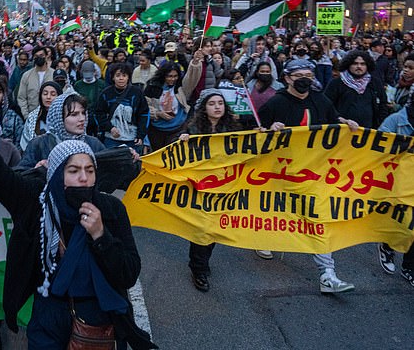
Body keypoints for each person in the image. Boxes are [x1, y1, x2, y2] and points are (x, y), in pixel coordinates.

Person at [0, 86, 156, 349]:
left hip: (99, 316)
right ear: (55, 175)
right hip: (48, 314)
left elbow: (129, 273)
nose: (83, 178)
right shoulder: (35, 203)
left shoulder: (109, 209)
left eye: (90, 170)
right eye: (73, 170)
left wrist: (101, 236)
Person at [257, 58, 358, 293]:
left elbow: (334, 121)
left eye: (309, 76)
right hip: (279, 173)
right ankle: (263, 238)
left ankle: (327, 274)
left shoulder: (321, 101)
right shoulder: (275, 103)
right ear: (287, 78)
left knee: (317, 218)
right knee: (275, 210)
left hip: (313, 173)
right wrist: (268, 131)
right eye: (299, 76)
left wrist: (346, 124)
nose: (305, 80)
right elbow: (255, 134)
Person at [178, 89, 242, 291]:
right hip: (201, 187)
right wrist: (182, 142)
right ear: (204, 108)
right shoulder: (194, 128)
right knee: (202, 227)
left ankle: (201, 261)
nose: (217, 107)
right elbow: (176, 151)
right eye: (212, 103)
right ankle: (198, 268)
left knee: (213, 229)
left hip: (224, 187)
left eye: (220, 103)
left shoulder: (233, 128)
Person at [376, 92, 414, 287]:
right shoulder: (396, 121)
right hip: (398, 181)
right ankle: (388, 245)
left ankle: (409, 267)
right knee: (402, 221)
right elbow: (378, 147)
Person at [18, 91, 105, 171]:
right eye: (74, 114)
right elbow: (22, 175)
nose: (82, 119)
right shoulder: (39, 144)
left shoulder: (94, 144)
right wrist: (37, 170)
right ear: (58, 118)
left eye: (83, 113)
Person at [324, 50, 388, 129]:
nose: (359, 66)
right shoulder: (336, 83)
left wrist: (379, 124)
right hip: (342, 131)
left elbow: (383, 104)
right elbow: (327, 106)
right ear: (348, 65)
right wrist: (341, 121)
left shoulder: (375, 82)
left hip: (369, 131)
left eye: (362, 64)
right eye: (355, 63)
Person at [95, 63, 149, 152]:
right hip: (111, 139)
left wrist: (141, 135)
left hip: (132, 139)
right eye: (118, 75)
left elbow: (144, 114)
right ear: (113, 77)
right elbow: (99, 113)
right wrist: (110, 128)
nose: (121, 78)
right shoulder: (106, 93)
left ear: (128, 77)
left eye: (124, 75)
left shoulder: (137, 93)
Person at [144, 62, 190, 152]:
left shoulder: (180, 86)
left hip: (178, 128)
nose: (173, 79)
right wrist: (158, 113)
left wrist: (195, 63)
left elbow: (193, 77)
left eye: (175, 76)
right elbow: (145, 107)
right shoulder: (152, 87)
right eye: (169, 76)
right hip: (157, 130)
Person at [20, 82, 63, 151]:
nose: (48, 97)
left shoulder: (64, 117)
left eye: (53, 94)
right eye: (45, 94)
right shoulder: (32, 117)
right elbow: (25, 142)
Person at [17, 46, 54, 118]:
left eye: (41, 55)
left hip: (51, 116)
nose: (39, 58)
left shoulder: (53, 74)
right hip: (31, 116)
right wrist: (26, 116)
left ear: (46, 56)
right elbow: (22, 98)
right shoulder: (26, 75)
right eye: (36, 56)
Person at [73, 61, 106, 136]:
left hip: (97, 117)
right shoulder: (78, 85)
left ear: (94, 72)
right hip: (83, 116)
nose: (87, 75)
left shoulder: (101, 84)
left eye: (90, 72)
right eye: (85, 72)